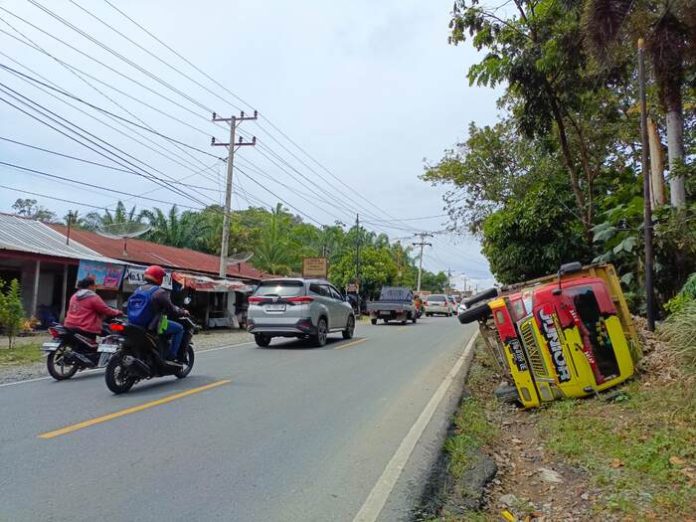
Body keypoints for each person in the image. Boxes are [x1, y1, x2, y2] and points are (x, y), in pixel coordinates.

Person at [126, 265, 189, 361]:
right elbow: (172, 309)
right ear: (159, 277)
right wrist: (183, 312)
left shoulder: (138, 289)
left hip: (134, 324)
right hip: (153, 325)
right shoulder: (159, 292)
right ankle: (171, 356)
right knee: (180, 329)